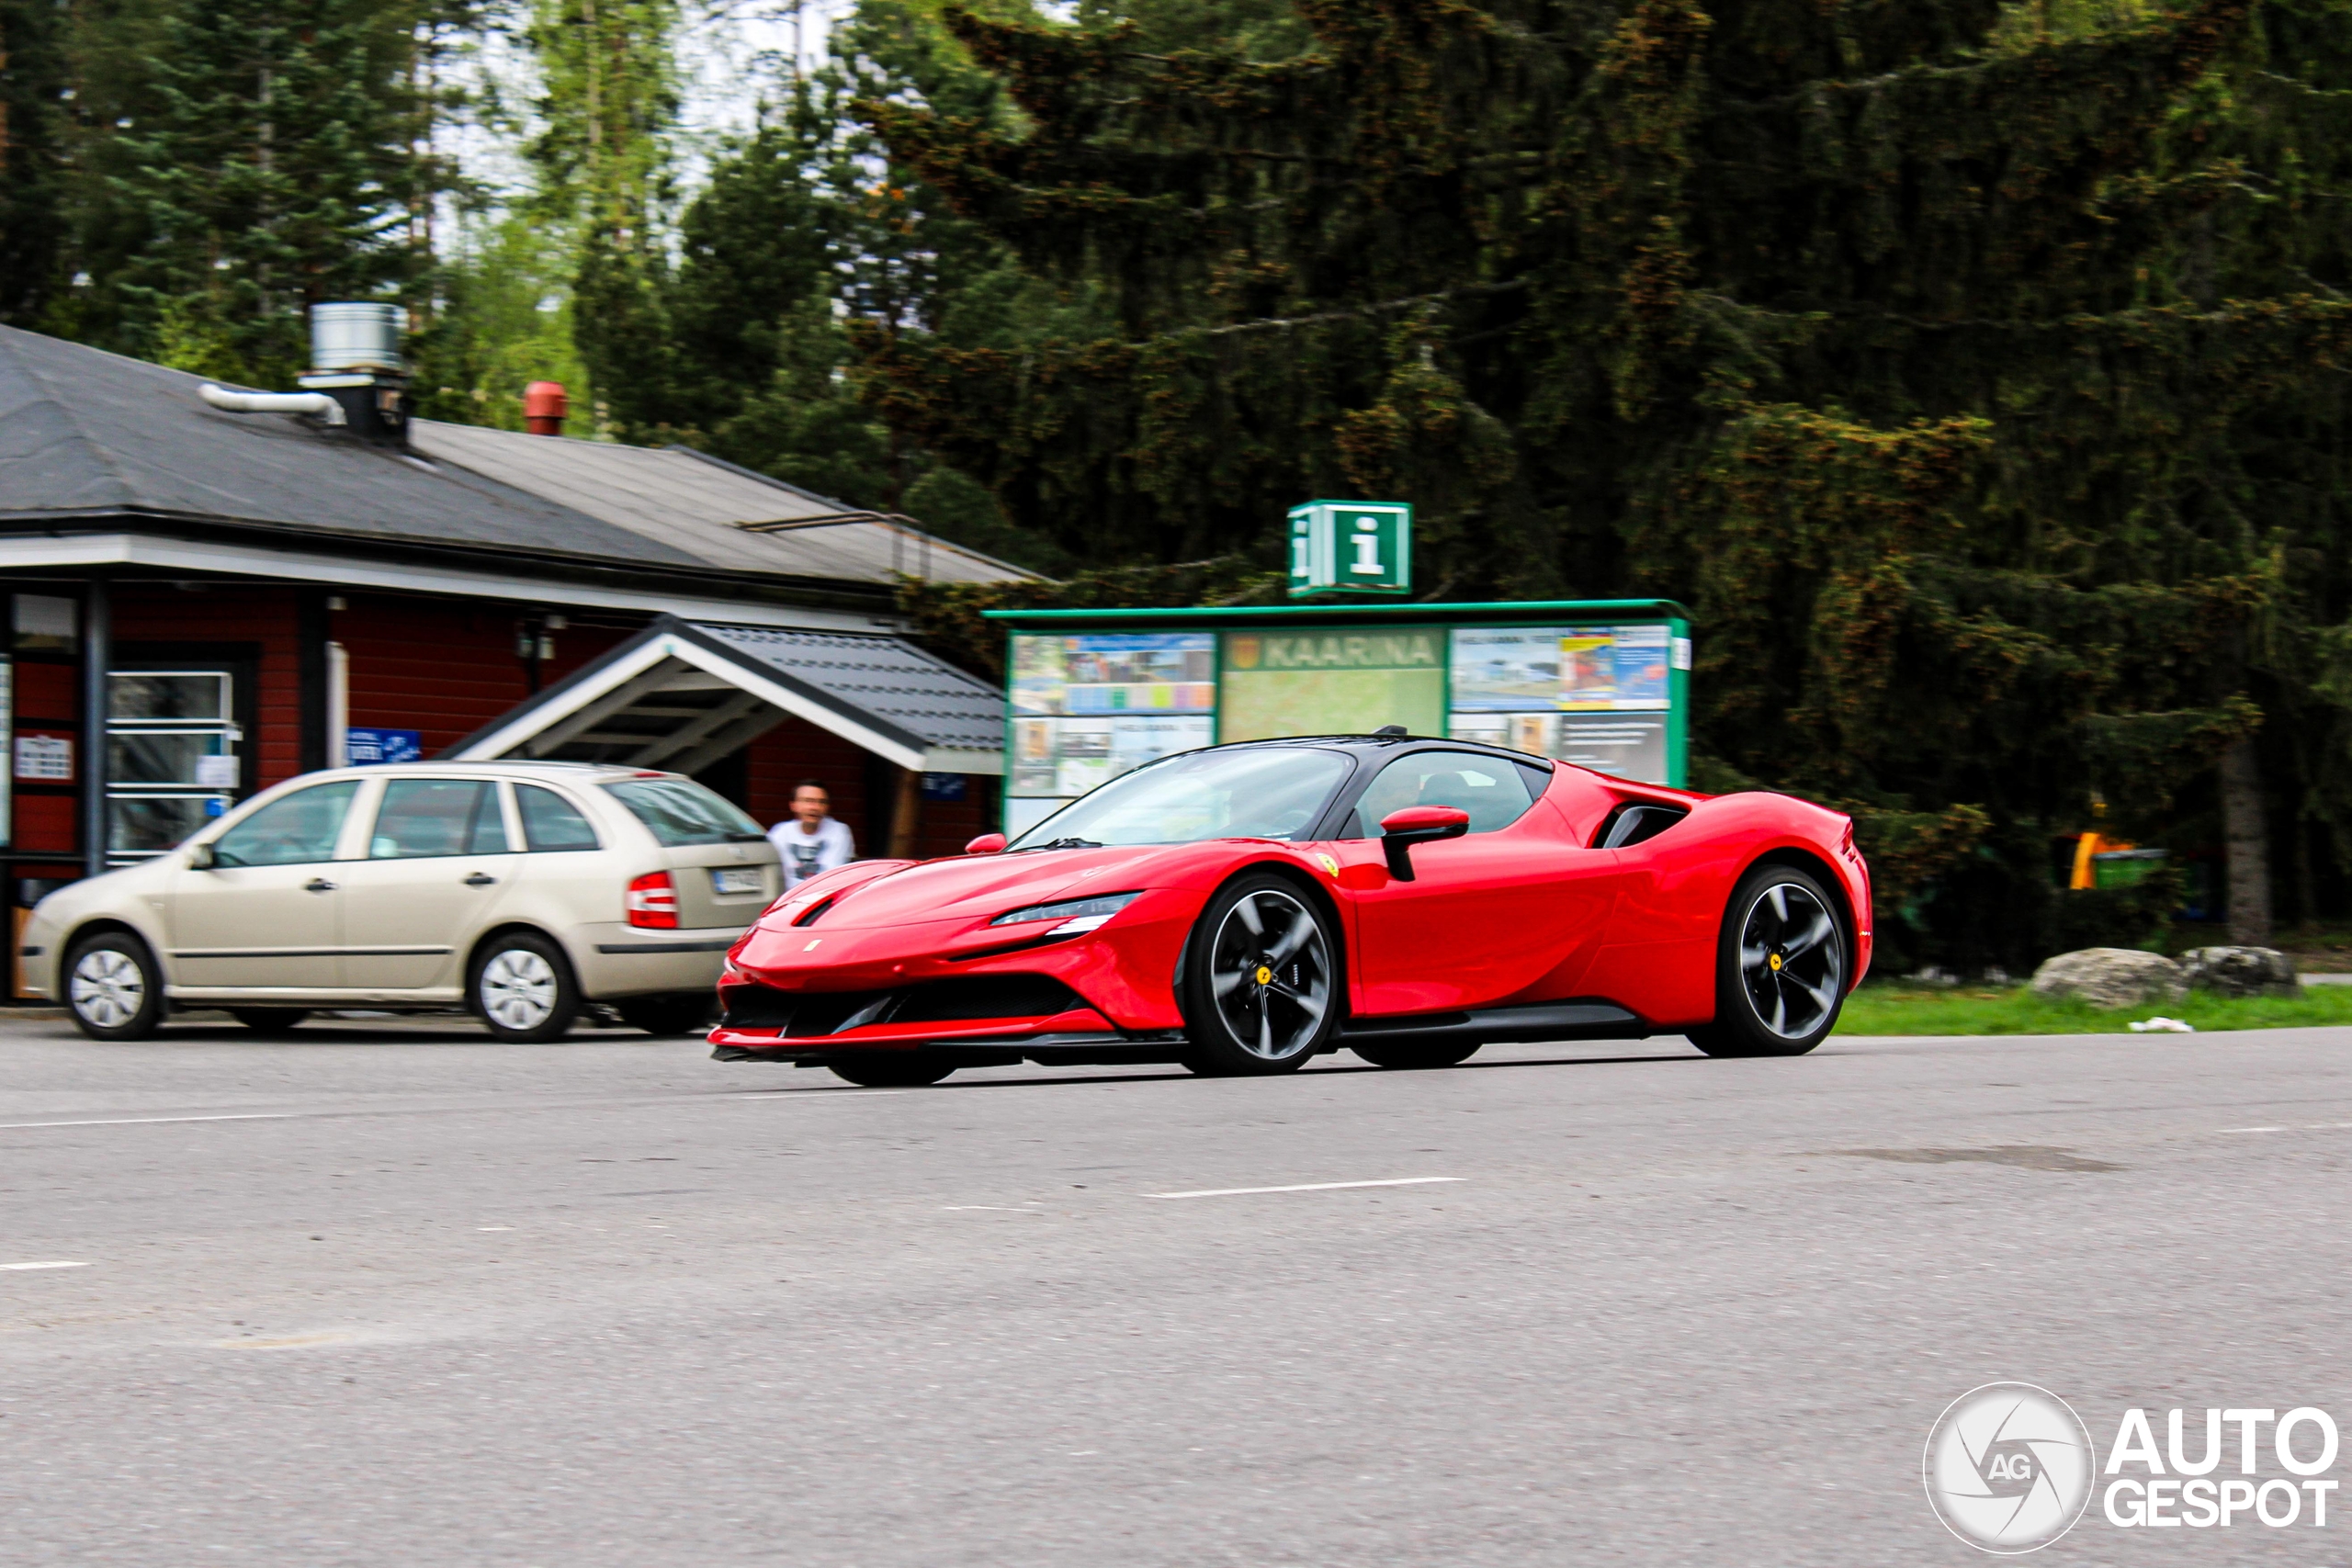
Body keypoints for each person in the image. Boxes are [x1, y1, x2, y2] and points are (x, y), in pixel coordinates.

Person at [769, 779, 855, 888]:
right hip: (787, 900)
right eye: (808, 801)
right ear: (793, 805)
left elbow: (832, 876)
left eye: (821, 802)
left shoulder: (839, 832)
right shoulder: (780, 832)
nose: (815, 807)